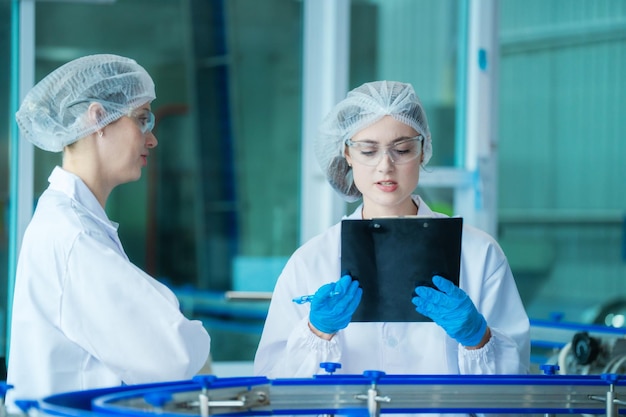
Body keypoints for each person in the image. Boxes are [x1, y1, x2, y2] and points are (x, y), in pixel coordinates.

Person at [254, 81, 530, 384]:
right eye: (369, 150)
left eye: (402, 149)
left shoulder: (479, 253)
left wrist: (478, 338)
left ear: (423, 150)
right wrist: (317, 332)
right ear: (347, 153)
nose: (385, 166)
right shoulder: (311, 261)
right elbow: (274, 386)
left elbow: (515, 392)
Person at [6, 54, 211, 407]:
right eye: (143, 120)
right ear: (98, 117)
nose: (153, 140)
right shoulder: (73, 236)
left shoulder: (76, 222)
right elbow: (170, 356)